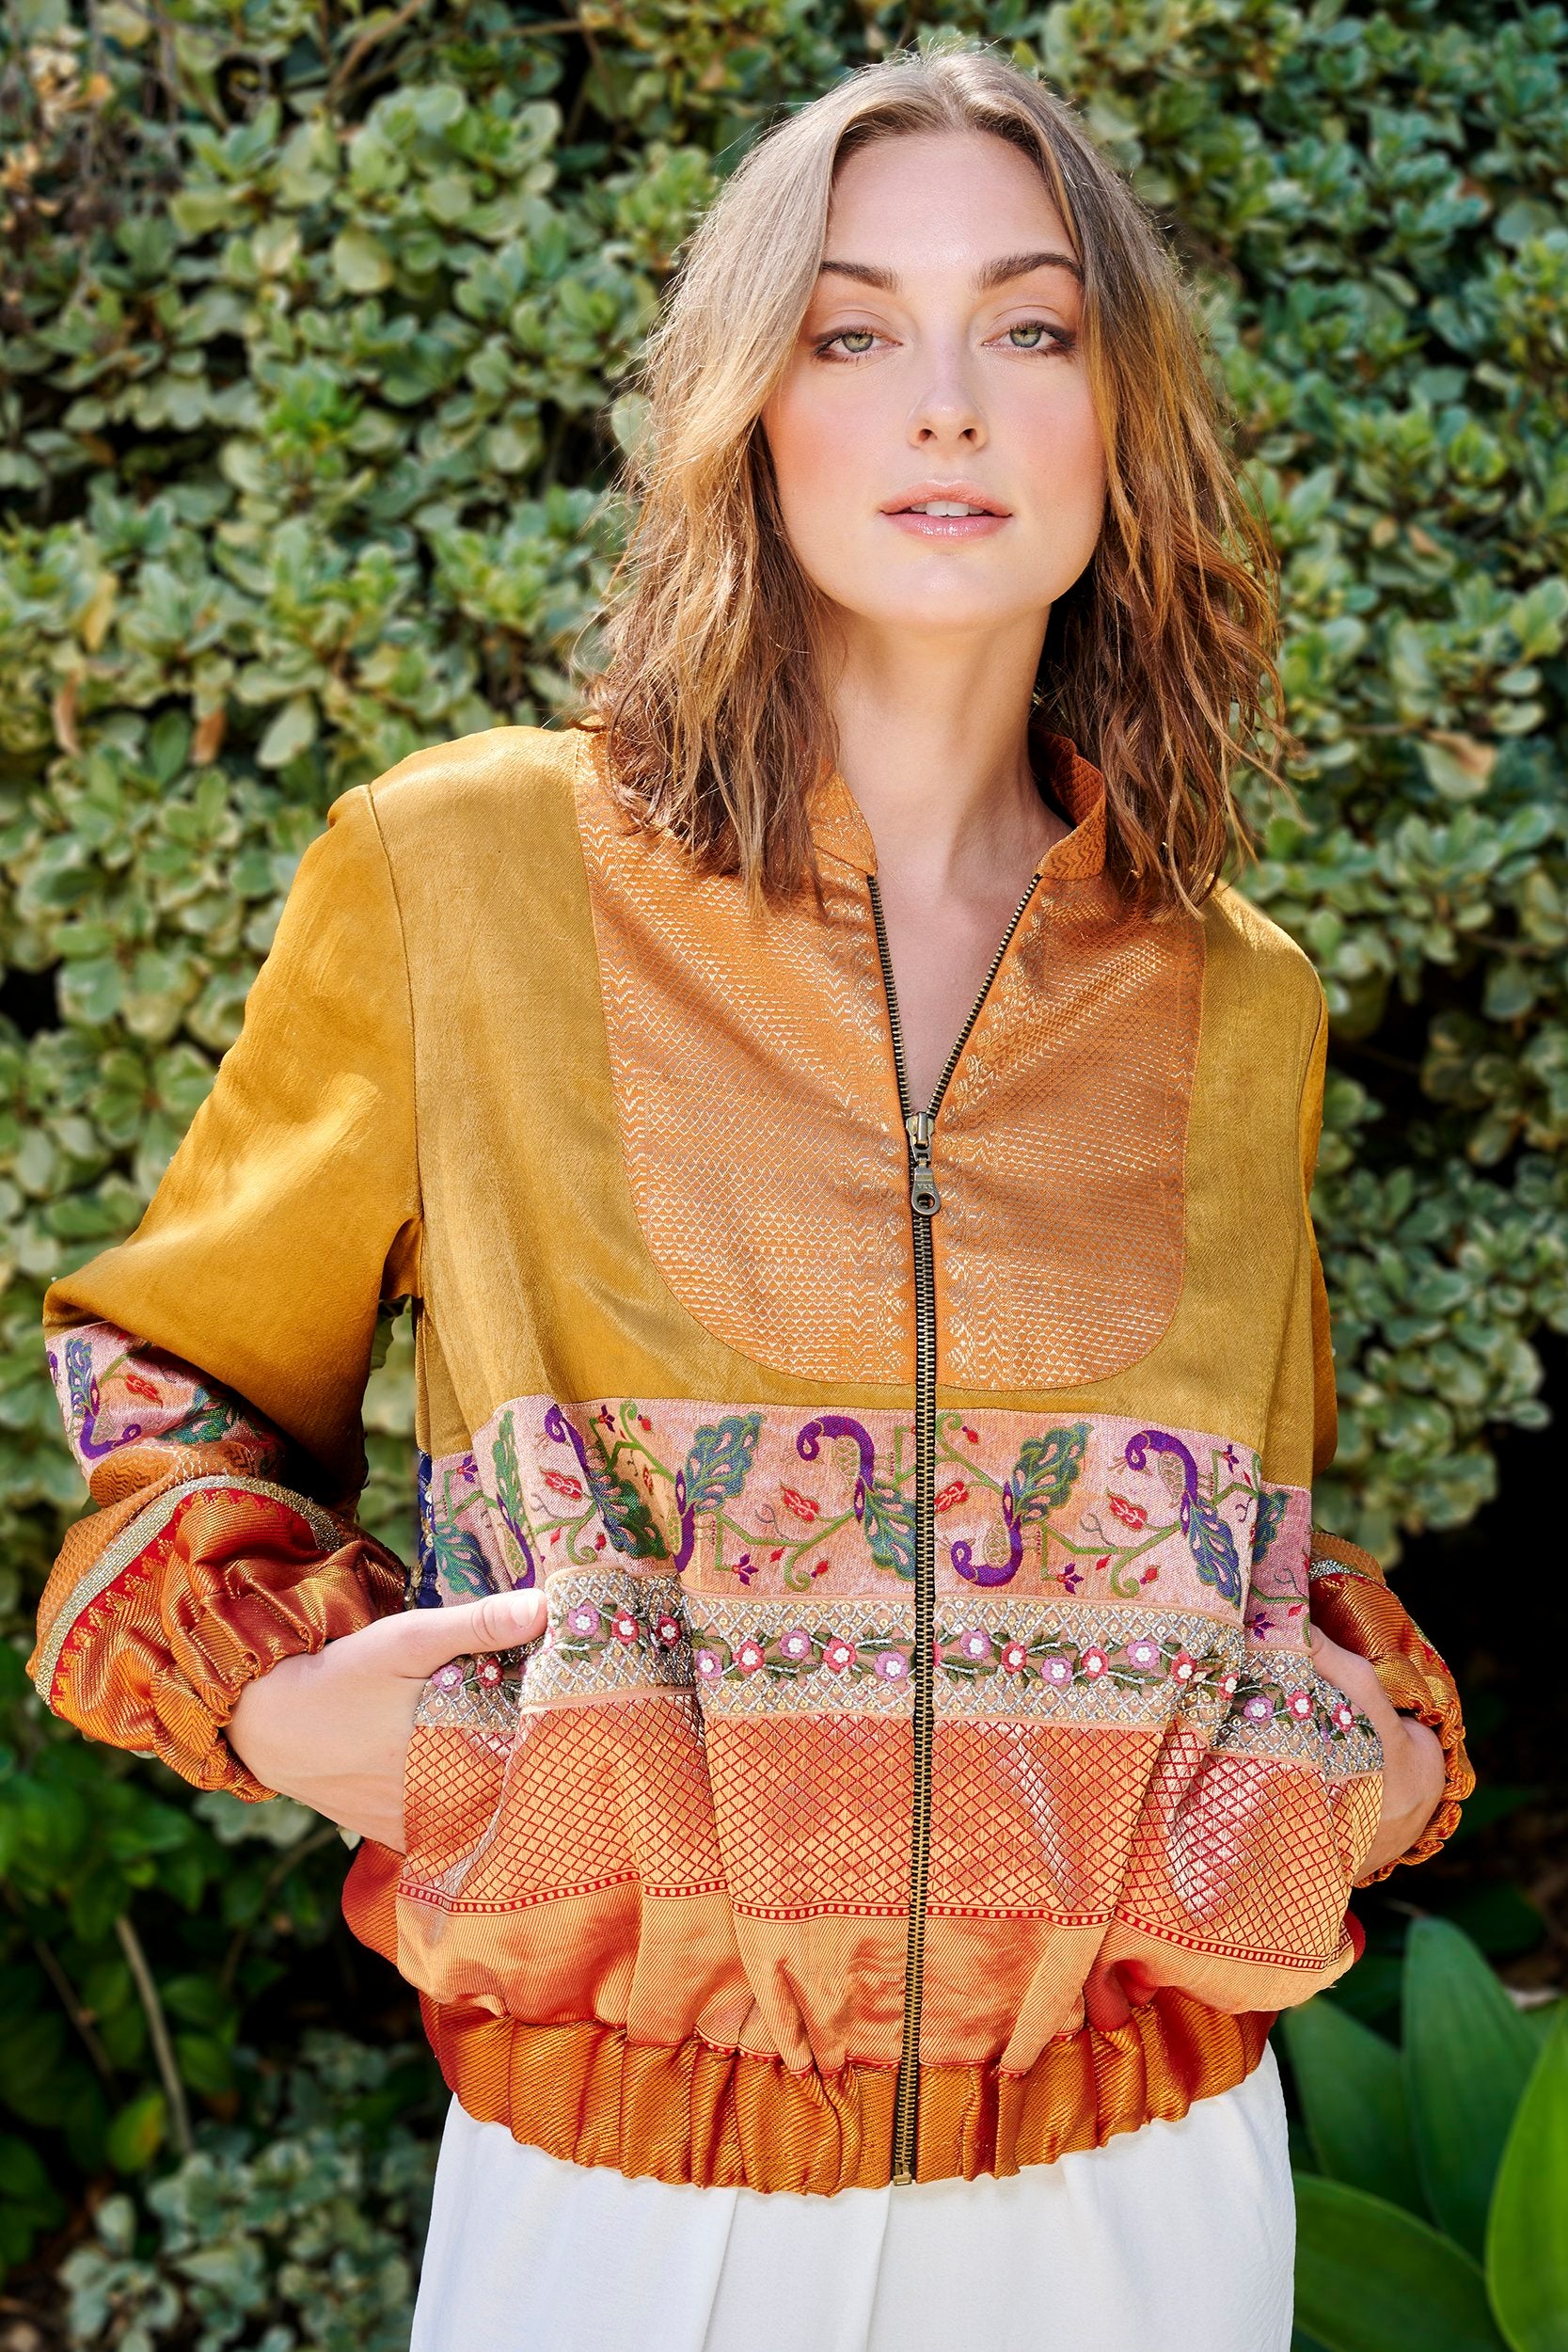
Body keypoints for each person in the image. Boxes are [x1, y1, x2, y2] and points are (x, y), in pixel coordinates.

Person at [29, 42, 1471, 2352]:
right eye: (851, 329)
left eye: (1030, 327)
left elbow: (1244, 1541)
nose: (947, 405)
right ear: (749, 410)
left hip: (1146, 2196)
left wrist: (1361, 1768)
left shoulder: (1237, 995)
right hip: (626, 2206)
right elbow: (171, 1363)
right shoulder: (467, 872)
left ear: (1122, 416)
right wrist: (288, 1703)